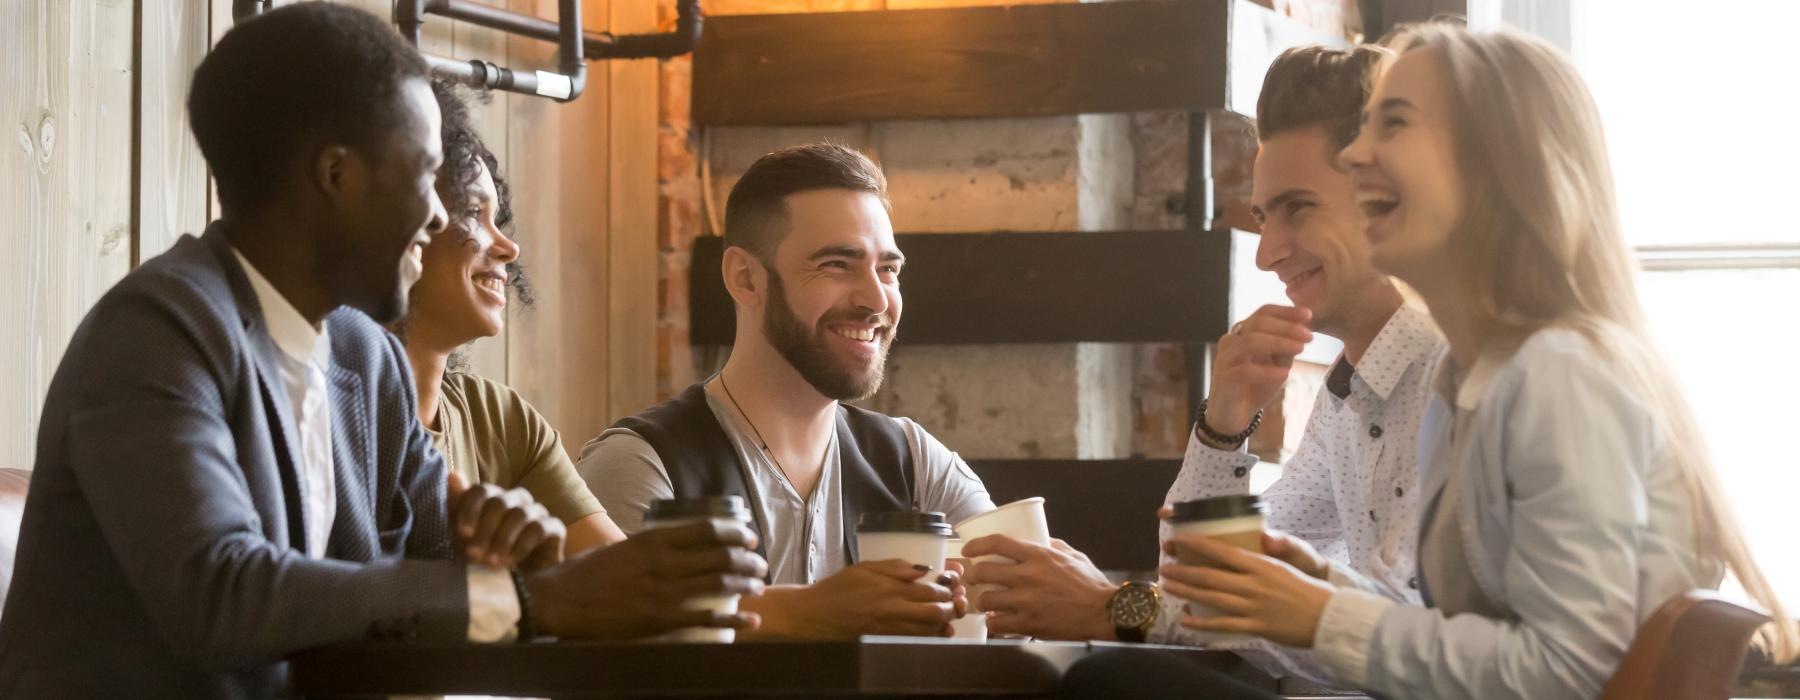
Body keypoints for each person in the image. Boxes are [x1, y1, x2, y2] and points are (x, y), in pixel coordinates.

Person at [0, 5, 763, 696]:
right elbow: (219, 595)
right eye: (427, 174)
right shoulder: (158, 333)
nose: (438, 218)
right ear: (336, 176)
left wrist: (501, 550)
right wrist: (543, 599)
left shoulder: (367, 360)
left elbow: (435, 571)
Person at [1118, 24, 1798, 699]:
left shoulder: (1557, 373)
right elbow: (1446, 628)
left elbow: (1571, 670)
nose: (1358, 156)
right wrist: (1315, 591)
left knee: (1117, 678)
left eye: (1394, 127)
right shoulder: (1467, 382)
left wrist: (1322, 614)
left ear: (1491, 168)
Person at [962, 44, 1437, 682]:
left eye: (1299, 208)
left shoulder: (1456, 378)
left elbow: (1397, 631)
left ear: (1385, 197)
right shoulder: (1348, 396)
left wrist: (1116, 608)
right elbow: (1200, 585)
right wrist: (1223, 423)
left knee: (1111, 679)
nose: (1267, 253)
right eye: (1265, 218)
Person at [579, 143, 994, 639]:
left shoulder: (916, 463)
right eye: (837, 264)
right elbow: (608, 664)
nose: (877, 298)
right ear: (745, 278)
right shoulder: (641, 464)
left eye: (888, 269)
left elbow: (1020, 615)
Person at [399, 82, 626, 556]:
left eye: (496, 218)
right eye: (473, 213)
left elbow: (626, 579)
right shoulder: (332, 414)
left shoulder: (501, 420)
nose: (508, 247)